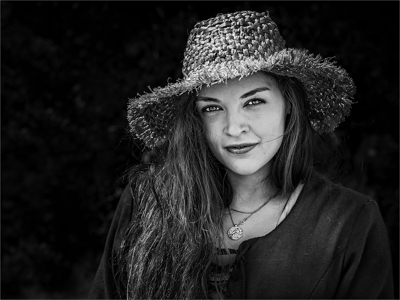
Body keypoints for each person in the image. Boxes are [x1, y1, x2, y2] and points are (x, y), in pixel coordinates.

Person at [89, 10, 394, 299]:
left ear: (288, 103)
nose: (234, 127)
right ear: (195, 121)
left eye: (254, 102)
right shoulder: (148, 204)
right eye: (212, 108)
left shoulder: (349, 222)